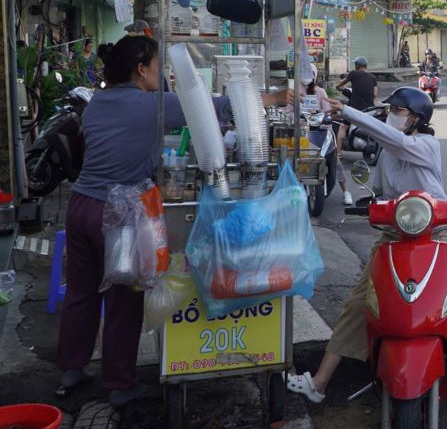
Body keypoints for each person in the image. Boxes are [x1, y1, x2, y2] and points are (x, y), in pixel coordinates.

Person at [57, 36, 288, 404]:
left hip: (81, 206)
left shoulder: (97, 102)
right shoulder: (153, 106)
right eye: (157, 64)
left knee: (82, 293)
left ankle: (71, 369)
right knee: (123, 297)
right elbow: (214, 106)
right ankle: (118, 384)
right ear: (142, 69)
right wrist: (275, 99)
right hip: (116, 213)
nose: (161, 71)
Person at [288, 88, 447, 419]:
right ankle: (320, 383)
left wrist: (351, 113)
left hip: (439, 230)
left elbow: (397, 142)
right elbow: (384, 192)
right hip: (396, 232)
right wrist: (372, 204)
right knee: (358, 302)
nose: (391, 115)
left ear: (415, 117)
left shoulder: (425, 145)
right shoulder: (387, 152)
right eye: (391, 110)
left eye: (397, 110)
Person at [300, 64, 354, 206]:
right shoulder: (295, 91)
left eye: (309, 73)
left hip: (320, 131)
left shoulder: (320, 92)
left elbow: (327, 112)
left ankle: (346, 191)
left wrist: (325, 118)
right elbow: (287, 110)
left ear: (314, 75)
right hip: (300, 134)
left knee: (335, 161)